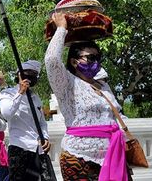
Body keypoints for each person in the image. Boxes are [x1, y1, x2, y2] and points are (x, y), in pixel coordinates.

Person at [45, 13, 128, 181]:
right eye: (90, 58)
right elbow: (52, 60)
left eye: (98, 58)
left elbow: (115, 115)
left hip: (112, 157)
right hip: (79, 158)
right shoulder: (67, 83)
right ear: (75, 61)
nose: (96, 62)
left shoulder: (104, 86)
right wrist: (61, 28)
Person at [0, 60, 51, 181]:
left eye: (34, 74)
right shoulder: (7, 94)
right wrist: (20, 93)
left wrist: (46, 137)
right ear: (19, 75)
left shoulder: (35, 98)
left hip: (38, 150)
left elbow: (42, 122)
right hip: (19, 148)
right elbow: (6, 113)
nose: (30, 77)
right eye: (28, 73)